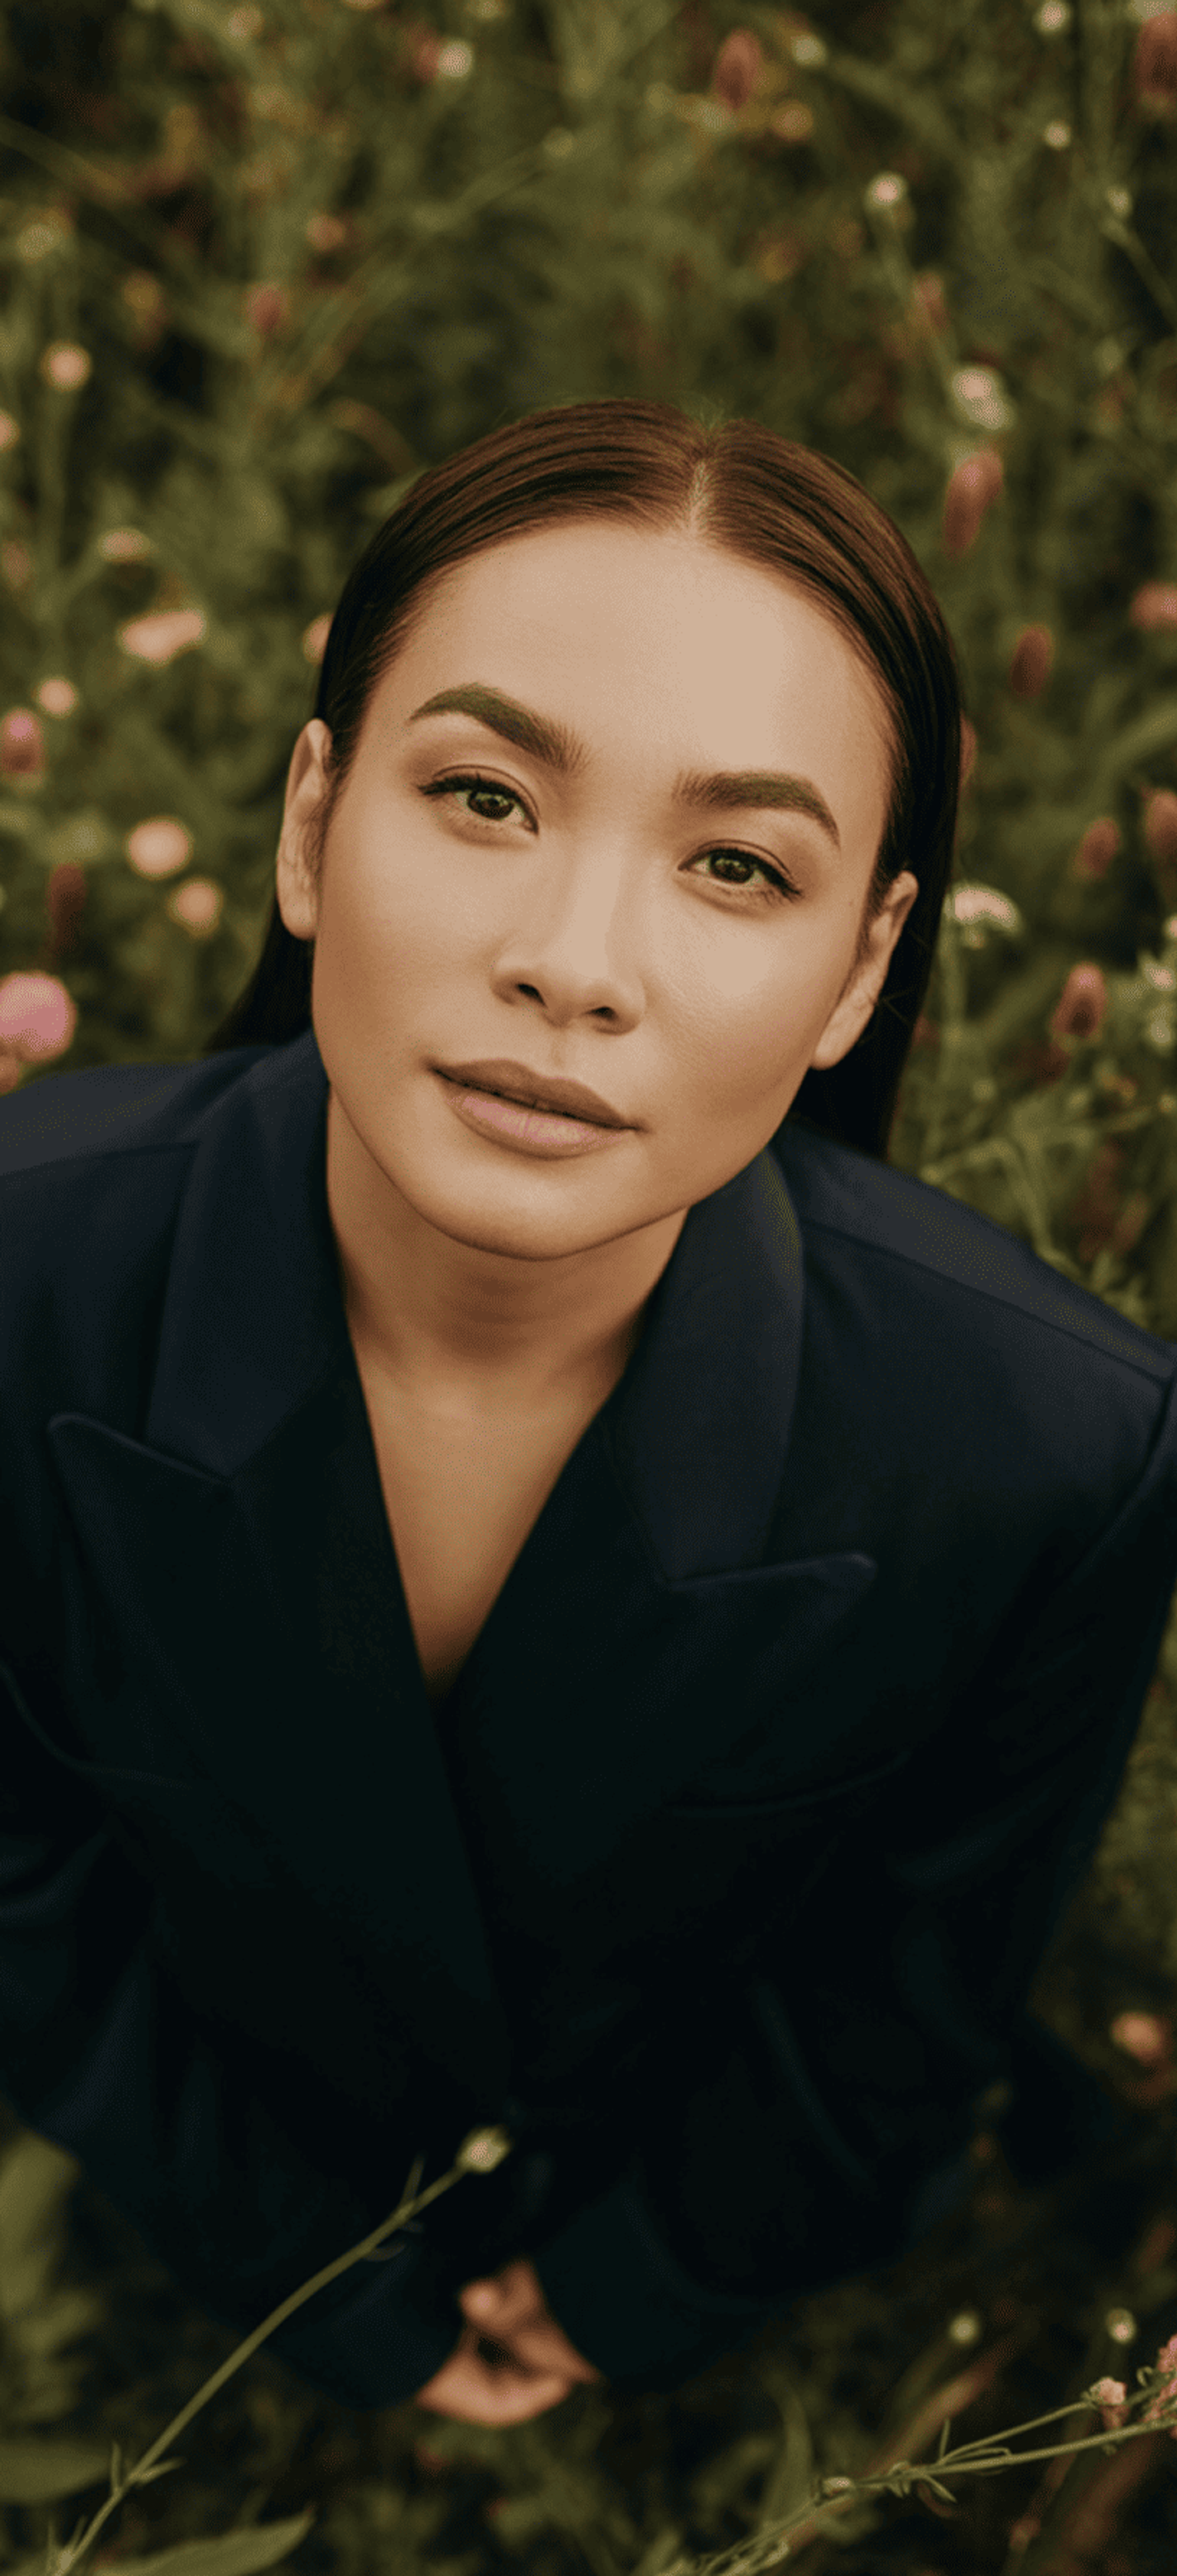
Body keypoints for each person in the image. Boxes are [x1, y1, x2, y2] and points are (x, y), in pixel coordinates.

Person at [2, 399, 1176, 2432]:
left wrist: (635, 2290)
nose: (572, 965)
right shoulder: (28, 1284)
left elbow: (908, 1990)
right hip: (180, 2265)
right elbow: (23, 1891)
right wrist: (314, 2288)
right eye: (482, 797)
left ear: (858, 972)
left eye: (735, 864)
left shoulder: (1046, 1456)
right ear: (308, 824)